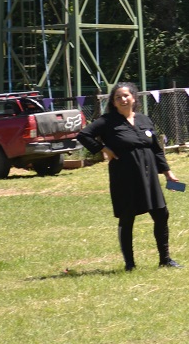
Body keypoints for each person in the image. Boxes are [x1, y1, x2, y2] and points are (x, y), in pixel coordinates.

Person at [76, 81, 183, 271]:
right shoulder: (107, 121)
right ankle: (130, 264)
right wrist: (102, 148)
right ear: (114, 102)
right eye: (118, 97)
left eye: (126, 96)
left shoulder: (144, 120)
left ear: (133, 98)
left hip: (149, 177)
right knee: (127, 218)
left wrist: (168, 173)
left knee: (161, 214)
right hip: (124, 177)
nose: (123, 99)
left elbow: (156, 150)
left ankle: (165, 259)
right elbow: (84, 135)